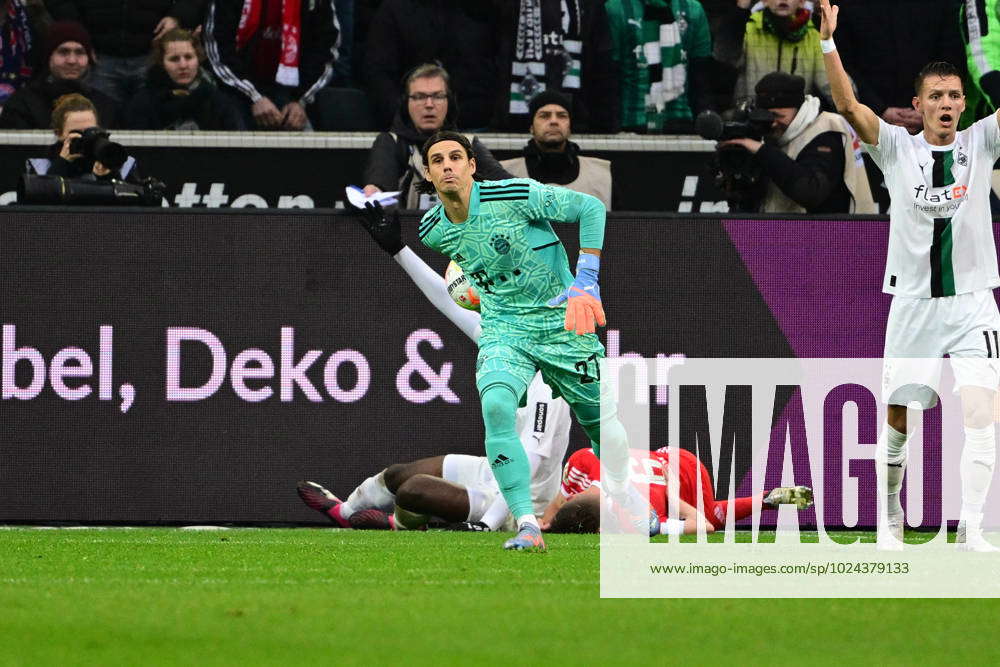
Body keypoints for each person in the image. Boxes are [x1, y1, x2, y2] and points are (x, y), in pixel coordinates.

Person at [819, 0, 1000, 552]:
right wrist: (828, 42)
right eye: (936, 97)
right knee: (898, 425)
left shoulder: (982, 142)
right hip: (914, 306)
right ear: (918, 106)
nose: (946, 104)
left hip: (972, 304)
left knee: (981, 416)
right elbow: (848, 104)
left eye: (953, 96)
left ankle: (972, 526)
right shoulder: (896, 148)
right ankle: (891, 520)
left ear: (965, 104)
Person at [411, 129, 646, 552]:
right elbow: (469, 262)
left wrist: (586, 281)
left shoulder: (515, 194)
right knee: (497, 406)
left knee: (603, 428)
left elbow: (591, 207)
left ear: (471, 165)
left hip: (561, 319)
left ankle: (626, 495)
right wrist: (481, 290)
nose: (447, 165)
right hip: (506, 328)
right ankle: (526, 523)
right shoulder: (431, 229)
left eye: (455, 157)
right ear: (427, 174)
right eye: (438, 161)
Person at [297, 199, 575, 532]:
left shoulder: (550, 375)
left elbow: (530, 461)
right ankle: (344, 513)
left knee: (415, 490)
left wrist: (488, 524)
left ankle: (396, 524)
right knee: (399, 475)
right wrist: (398, 250)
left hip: (519, 502)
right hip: (492, 470)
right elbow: (446, 300)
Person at [541, 446, 814, 534]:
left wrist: (672, 496)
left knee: (714, 515)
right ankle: (768, 498)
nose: (571, 495)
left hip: (681, 473)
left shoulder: (636, 518)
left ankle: (766, 499)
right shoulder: (583, 459)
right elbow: (559, 502)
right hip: (670, 456)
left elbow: (705, 525)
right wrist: (544, 522)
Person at [718, 70, 876, 213]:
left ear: (799, 109)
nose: (772, 123)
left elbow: (810, 192)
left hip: (836, 236)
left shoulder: (828, 129)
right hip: (785, 235)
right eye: (766, 117)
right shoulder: (767, 133)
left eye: (778, 116)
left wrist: (761, 150)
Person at [362, 63, 511, 210]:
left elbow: (507, 185)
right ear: (406, 103)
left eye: (437, 96)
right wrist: (375, 191)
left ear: (449, 102)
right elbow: (380, 176)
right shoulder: (391, 143)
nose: (429, 104)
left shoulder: (468, 144)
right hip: (405, 232)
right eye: (419, 97)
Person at [364, 0, 502, 131]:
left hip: (472, 124)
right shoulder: (394, 10)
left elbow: (492, 73)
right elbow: (379, 76)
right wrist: (407, 118)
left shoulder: (481, 10)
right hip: (408, 129)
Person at [204, 0, 340, 131]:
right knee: (238, 138)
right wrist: (254, 96)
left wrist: (300, 101)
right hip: (236, 89)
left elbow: (325, 49)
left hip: (291, 92)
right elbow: (218, 50)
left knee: (307, 144)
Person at [834, 0, 965, 134]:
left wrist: (930, 108)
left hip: (933, 122)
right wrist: (879, 110)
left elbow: (952, 58)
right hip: (864, 123)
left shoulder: (945, 5)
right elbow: (842, 64)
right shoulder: (845, 6)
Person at [492, 0, 618, 133]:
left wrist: (606, 123)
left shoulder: (588, 4)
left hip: (577, 120)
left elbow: (602, 65)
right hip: (514, 119)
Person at [45, 0, 205, 104]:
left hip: (153, 53)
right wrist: (78, 32)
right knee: (101, 122)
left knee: (151, 125)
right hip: (99, 54)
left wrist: (178, 17)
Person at [605, 0, 714, 133]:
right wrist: (613, 129)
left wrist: (706, 129)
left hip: (682, 122)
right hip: (632, 124)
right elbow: (608, 76)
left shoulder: (693, 9)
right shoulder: (616, 8)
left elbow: (701, 79)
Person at [499, 89, 613, 210]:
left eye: (562, 116)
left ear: (570, 127)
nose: (554, 121)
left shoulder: (601, 174)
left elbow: (621, 226)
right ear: (531, 127)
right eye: (544, 116)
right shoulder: (503, 174)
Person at [0, 20, 118, 129]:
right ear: (48, 57)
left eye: (79, 52)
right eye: (63, 52)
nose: (72, 60)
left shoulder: (106, 106)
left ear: (89, 59)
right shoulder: (22, 105)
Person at [716, 0, 833, 109]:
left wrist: (850, 108)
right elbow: (724, 59)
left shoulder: (813, 38)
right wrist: (740, 10)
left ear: (802, 2)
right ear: (765, 1)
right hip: (752, 119)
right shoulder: (748, 30)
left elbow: (831, 85)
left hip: (795, 123)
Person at [124, 28, 245, 130]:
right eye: (174, 59)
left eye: (188, 57)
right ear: (161, 62)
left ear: (198, 59)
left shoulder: (218, 101)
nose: (183, 65)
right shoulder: (143, 103)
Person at [24, 92, 140, 182]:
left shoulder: (123, 165)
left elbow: (130, 209)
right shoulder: (41, 167)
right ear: (58, 134)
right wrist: (62, 163)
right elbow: (41, 207)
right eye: (77, 133)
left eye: (90, 131)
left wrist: (110, 172)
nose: (86, 138)